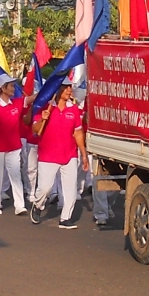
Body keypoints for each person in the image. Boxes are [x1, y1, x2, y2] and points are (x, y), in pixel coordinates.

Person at [29, 79, 89, 229]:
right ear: (57, 90)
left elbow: (78, 132)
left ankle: (65, 218)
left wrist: (83, 153)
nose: (69, 90)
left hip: (69, 155)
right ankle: (38, 205)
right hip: (48, 155)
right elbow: (35, 130)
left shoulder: (73, 109)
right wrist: (42, 119)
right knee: (44, 188)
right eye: (65, 88)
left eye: (70, 87)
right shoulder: (46, 107)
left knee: (70, 190)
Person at [0, 74, 33, 215]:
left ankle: (20, 206)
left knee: (15, 176)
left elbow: (32, 98)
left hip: (14, 147)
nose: (13, 88)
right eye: (10, 85)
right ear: (3, 88)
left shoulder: (16, 103)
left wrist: (50, 88)